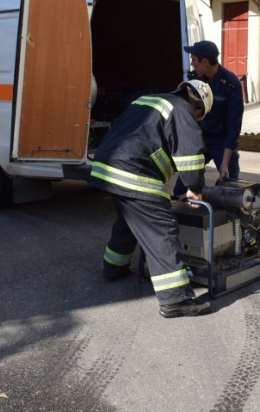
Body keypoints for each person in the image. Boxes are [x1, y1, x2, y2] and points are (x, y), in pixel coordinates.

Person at [89, 80, 214, 318]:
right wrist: (194, 187)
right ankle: (176, 299)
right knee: (162, 229)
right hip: (133, 171)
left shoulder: (150, 101)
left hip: (106, 166)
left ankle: (114, 267)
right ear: (199, 107)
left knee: (130, 219)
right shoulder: (181, 109)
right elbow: (190, 154)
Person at [173, 40, 243, 195]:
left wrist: (224, 164)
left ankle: (235, 218)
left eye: (194, 60)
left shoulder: (230, 84)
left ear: (205, 61)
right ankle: (178, 214)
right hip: (199, 138)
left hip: (221, 140)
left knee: (231, 185)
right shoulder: (195, 80)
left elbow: (233, 127)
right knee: (182, 185)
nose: (192, 64)